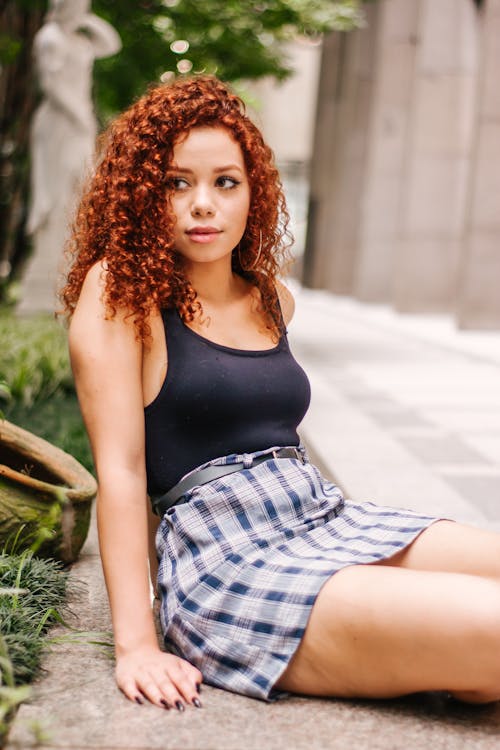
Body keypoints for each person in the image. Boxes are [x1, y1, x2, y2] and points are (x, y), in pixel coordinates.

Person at [62, 75, 500, 712]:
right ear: (141, 197)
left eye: (225, 182)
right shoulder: (121, 293)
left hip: (322, 517)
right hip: (227, 561)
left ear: (253, 192)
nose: (202, 204)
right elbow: (123, 474)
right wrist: (136, 644)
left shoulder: (271, 297)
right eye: (176, 183)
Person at [22, 0, 121, 313]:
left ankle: (71, 265)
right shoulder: (49, 37)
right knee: (59, 190)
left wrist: (88, 20)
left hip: (78, 123)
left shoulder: (79, 39)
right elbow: (50, 85)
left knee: (80, 192)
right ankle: (45, 273)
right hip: (59, 122)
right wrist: (80, 117)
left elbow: (110, 45)